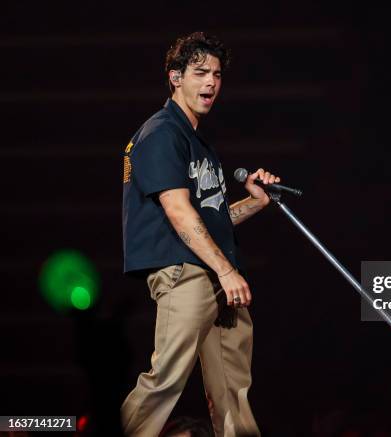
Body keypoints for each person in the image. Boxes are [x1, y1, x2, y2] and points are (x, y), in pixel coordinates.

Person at [121, 32, 279, 437]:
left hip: (215, 274)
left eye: (217, 74)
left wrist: (256, 203)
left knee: (233, 392)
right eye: (200, 73)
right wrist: (226, 272)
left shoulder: (198, 143)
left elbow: (210, 219)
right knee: (166, 380)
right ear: (175, 77)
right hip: (185, 272)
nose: (211, 83)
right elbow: (177, 210)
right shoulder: (161, 133)